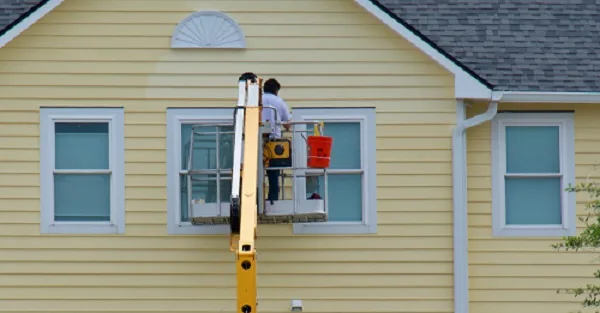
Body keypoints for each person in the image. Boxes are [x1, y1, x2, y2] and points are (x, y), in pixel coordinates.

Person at [261, 78, 292, 204]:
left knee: (257, 170)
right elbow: (288, 124)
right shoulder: (279, 101)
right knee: (273, 172)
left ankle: (256, 197)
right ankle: (272, 199)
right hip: (274, 141)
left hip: (258, 140)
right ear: (276, 90)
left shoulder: (257, 100)